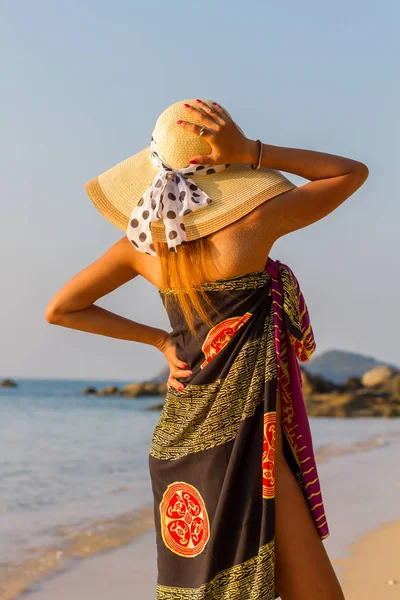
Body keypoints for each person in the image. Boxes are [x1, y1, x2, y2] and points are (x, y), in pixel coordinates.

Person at [45, 98, 369, 600]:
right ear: (225, 164)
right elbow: (349, 172)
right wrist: (255, 151)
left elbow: (62, 308)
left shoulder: (142, 243)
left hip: (183, 442)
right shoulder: (256, 221)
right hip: (244, 438)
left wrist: (159, 339)